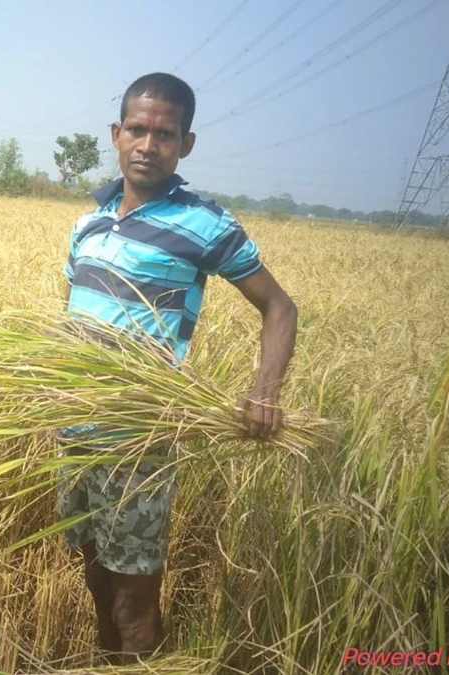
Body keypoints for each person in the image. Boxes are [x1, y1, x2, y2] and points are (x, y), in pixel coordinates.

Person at [57, 72, 298, 664]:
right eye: (137, 129)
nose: (147, 145)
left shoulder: (204, 224)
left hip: (138, 439)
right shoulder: (87, 224)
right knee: (94, 576)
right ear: (116, 134)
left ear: (185, 144)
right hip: (73, 431)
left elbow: (279, 307)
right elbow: (72, 312)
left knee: (134, 603)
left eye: (164, 134)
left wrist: (264, 391)